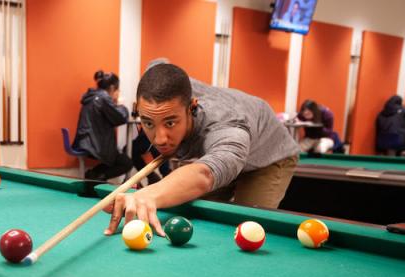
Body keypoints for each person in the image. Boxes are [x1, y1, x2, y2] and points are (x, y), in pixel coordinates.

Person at [103, 62, 300, 237]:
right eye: (148, 123)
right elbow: (158, 63)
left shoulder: (227, 126)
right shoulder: (166, 88)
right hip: (218, 150)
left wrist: (150, 193)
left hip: (269, 157)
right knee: (188, 211)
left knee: (248, 229)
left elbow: (206, 174)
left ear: (192, 107)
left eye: (170, 123)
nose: (160, 138)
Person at [72, 71, 132, 181]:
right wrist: (120, 105)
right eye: (118, 90)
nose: (118, 92)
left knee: (120, 159)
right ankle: (94, 177)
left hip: (86, 140)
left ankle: (95, 176)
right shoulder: (103, 98)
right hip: (94, 143)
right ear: (113, 87)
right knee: (126, 163)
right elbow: (120, 117)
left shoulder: (93, 96)